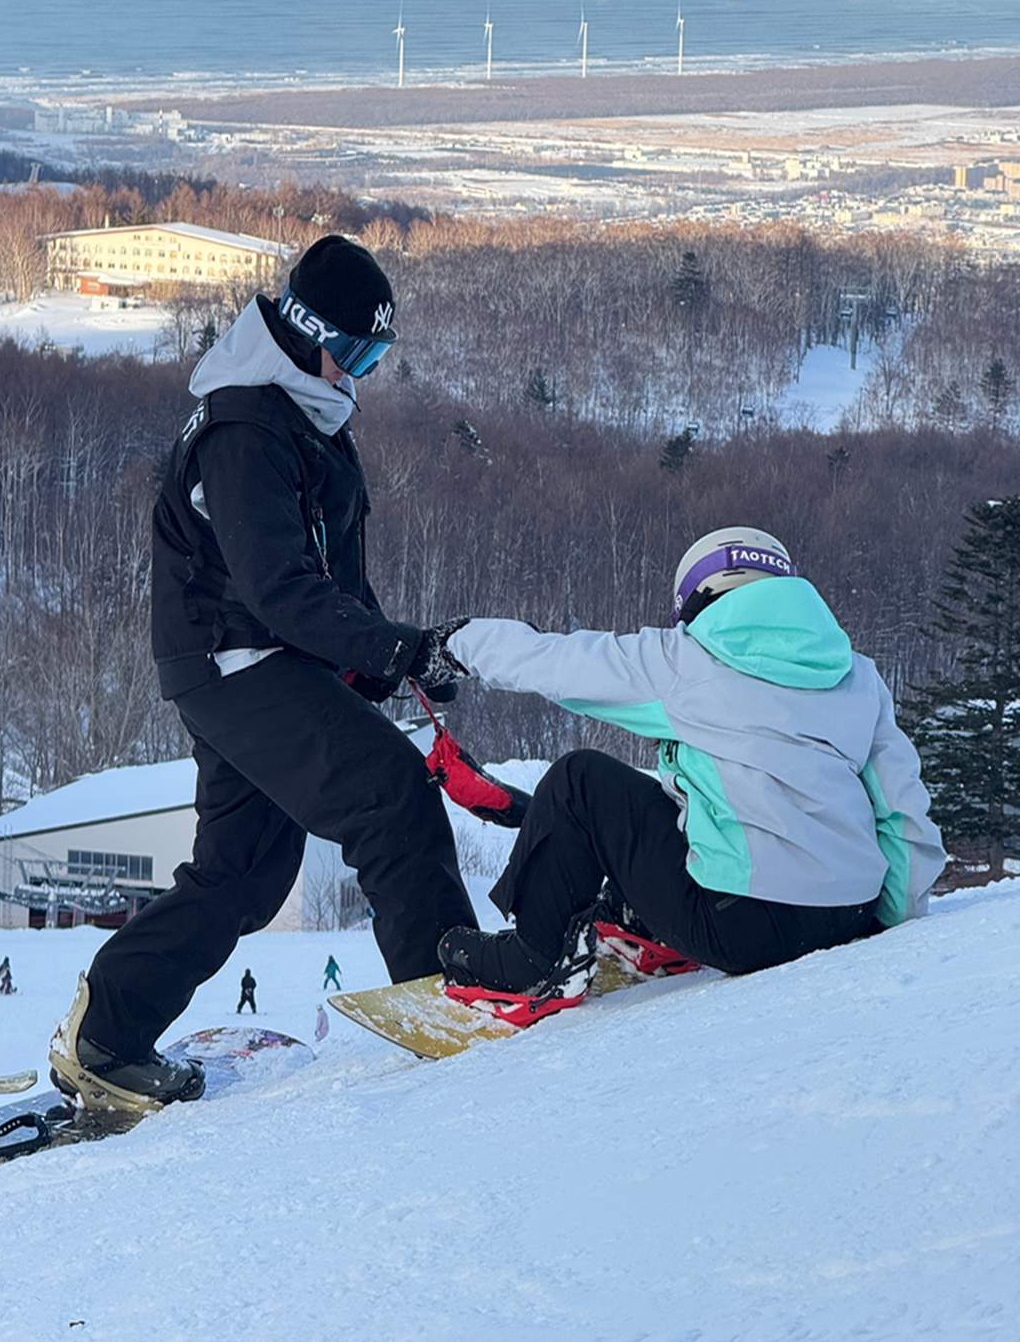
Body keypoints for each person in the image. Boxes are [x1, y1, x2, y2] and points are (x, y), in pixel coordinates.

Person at [51, 236, 475, 1113]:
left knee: (244, 874)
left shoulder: (303, 411)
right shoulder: (246, 425)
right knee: (390, 797)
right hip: (236, 658)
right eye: (355, 350)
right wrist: (392, 647)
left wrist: (379, 664)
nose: (360, 372)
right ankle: (455, 995)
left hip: (247, 661)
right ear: (308, 328)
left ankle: (108, 1033)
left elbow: (331, 577)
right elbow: (279, 588)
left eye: (375, 357)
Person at [431, 527, 946, 1021]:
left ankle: (530, 963)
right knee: (679, 795)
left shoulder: (686, 659)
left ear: (696, 599)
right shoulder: (859, 676)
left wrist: (459, 644)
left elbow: (555, 662)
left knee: (579, 782)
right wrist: (889, 920)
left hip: (746, 926)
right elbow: (901, 812)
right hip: (850, 913)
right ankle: (643, 923)